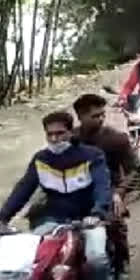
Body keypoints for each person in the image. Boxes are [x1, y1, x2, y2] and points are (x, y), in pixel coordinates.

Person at [0, 111, 112, 280]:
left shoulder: (92, 155)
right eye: (50, 134)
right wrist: (3, 217)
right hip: (53, 219)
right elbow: (23, 189)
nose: (54, 139)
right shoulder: (41, 160)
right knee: (33, 259)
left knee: (96, 259)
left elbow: (102, 186)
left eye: (60, 133)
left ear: (70, 132)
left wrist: (97, 212)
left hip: (88, 218)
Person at [73, 94, 139, 276]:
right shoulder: (71, 140)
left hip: (110, 189)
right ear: (80, 117)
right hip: (76, 189)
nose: (101, 119)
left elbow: (134, 170)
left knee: (115, 222)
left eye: (102, 114)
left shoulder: (117, 139)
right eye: (95, 116)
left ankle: (122, 262)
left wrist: (119, 192)